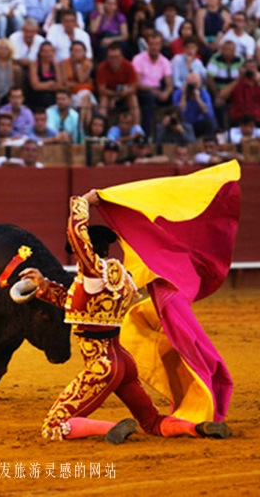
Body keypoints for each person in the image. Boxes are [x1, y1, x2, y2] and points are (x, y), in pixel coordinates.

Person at [20, 190, 231, 443]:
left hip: (102, 366)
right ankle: (196, 428)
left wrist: (82, 203)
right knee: (151, 421)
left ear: (83, 254)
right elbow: (79, 306)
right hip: (123, 362)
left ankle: (112, 427)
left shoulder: (93, 274)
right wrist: (44, 286)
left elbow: (77, 235)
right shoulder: (123, 278)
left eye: (78, 255)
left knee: (53, 426)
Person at [217, 59, 260, 135]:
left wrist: (258, 83)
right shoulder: (236, 84)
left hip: (258, 122)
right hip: (239, 122)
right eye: (247, 68)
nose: (250, 70)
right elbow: (222, 95)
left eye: (252, 68)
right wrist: (239, 79)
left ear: (256, 70)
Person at [96, 43, 140, 124]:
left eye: (116, 57)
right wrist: (116, 95)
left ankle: (136, 128)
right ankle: (102, 129)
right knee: (103, 100)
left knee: (133, 98)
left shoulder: (128, 66)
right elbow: (101, 90)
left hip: (125, 94)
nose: (113, 60)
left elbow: (133, 87)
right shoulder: (102, 67)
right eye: (111, 57)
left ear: (121, 57)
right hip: (109, 95)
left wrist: (124, 92)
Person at [169, 72, 215, 142]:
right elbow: (178, 113)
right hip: (183, 124)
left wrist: (198, 99)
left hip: (197, 123)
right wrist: (183, 96)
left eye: (195, 84)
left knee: (209, 122)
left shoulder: (204, 94)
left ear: (200, 84)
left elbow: (209, 114)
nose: (192, 87)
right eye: (190, 84)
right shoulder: (178, 93)